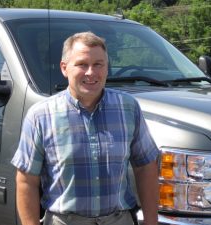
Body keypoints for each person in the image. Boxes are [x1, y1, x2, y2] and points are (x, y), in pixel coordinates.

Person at [11, 31, 159, 225]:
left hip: (119, 219)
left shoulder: (128, 108)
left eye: (98, 64)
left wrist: (151, 221)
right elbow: (26, 181)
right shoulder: (41, 116)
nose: (91, 72)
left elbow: (146, 168)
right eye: (82, 64)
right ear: (64, 68)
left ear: (107, 68)